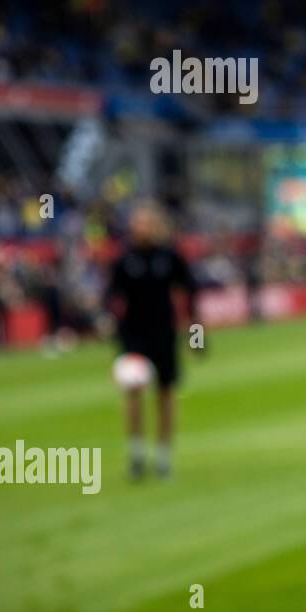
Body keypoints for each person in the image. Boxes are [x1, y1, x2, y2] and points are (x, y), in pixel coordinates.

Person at [105, 201, 198, 479]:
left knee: (166, 393)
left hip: (164, 334)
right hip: (133, 336)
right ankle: (136, 455)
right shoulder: (124, 259)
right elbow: (111, 296)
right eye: (138, 222)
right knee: (133, 391)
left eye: (146, 222)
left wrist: (194, 329)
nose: (141, 227)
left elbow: (189, 290)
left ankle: (163, 457)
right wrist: (111, 324)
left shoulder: (169, 257)